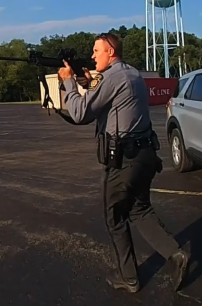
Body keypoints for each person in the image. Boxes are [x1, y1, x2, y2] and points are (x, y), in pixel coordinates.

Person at [58, 32, 189, 293]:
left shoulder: (111, 77)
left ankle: (129, 278)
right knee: (139, 209)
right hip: (145, 156)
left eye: (97, 51)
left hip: (124, 162)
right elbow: (106, 97)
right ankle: (175, 255)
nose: (93, 56)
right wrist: (88, 82)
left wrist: (69, 83)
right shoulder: (131, 73)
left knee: (114, 217)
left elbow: (81, 112)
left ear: (111, 52)